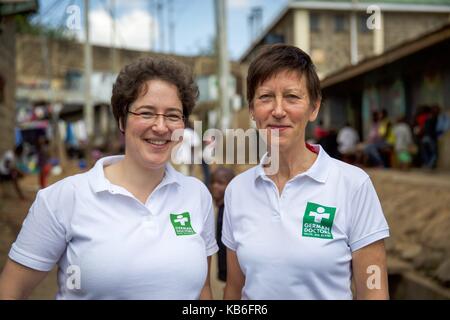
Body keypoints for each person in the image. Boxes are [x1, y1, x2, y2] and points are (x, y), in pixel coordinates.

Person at [0, 56, 218, 300]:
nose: (160, 126)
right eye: (146, 113)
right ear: (122, 120)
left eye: (172, 115)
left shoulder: (196, 195)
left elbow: (202, 291)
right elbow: (11, 290)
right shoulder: (63, 198)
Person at [222, 44, 389, 300]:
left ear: (314, 108)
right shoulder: (238, 190)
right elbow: (234, 290)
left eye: (292, 97)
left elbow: (374, 290)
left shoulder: (353, 185)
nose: (278, 111)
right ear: (252, 111)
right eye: (266, 97)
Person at [210, 167, 235, 282]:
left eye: (220, 183)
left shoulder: (232, 211)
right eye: (213, 182)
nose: (215, 186)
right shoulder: (221, 208)